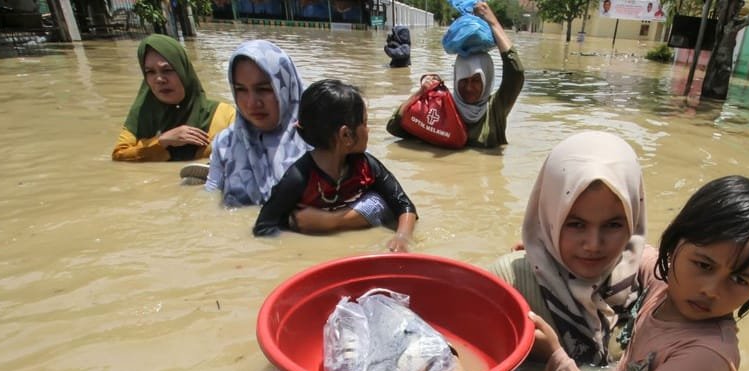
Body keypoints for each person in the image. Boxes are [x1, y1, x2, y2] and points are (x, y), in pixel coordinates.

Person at [529, 176, 749, 371]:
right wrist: (549, 256)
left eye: (739, 279)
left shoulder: (705, 357)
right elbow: (623, 253)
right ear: (674, 244)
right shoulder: (664, 281)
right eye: (703, 265)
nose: (711, 290)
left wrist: (556, 358)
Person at [487, 131, 648, 365]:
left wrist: (557, 359)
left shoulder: (646, 282)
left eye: (613, 225)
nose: (593, 245)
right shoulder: (507, 284)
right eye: (575, 224)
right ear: (550, 217)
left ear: (634, 220)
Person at [253, 79, 418, 253]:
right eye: (365, 123)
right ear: (346, 135)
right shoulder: (298, 178)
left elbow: (404, 206)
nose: (368, 130)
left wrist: (402, 238)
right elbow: (263, 229)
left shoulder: (367, 166)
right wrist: (301, 245)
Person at [386, 2, 524, 149]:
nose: (469, 87)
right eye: (463, 81)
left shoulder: (496, 109)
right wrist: (420, 93)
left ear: (487, 79)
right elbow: (395, 127)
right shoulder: (443, 108)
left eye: (476, 80)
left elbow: (516, 73)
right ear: (456, 77)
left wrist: (493, 22)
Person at [204, 40, 309, 206]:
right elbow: (209, 200)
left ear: (287, 87)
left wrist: (326, 221)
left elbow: (363, 196)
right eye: (241, 90)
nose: (252, 103)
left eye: (264, 89)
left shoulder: (319, 139)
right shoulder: (225, 143)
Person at [112, 34, 235, 162]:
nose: (159, 80)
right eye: (150, 72)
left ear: (183, 71)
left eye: (167, 70)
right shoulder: (141, 115)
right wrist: (161, 141)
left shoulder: (224, 114)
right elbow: (119, 156)